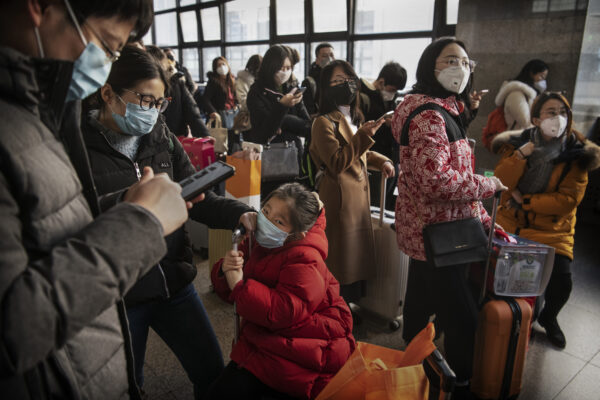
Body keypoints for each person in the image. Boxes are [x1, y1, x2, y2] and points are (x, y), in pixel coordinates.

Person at [0, 0, 193, 398]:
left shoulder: (37, 110)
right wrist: (141, 222)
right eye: (105, 45)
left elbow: (43, 227)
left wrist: (122, 204)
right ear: (40, 8)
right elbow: (13, 327)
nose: (103, 64)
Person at [81, 45, 257, 398]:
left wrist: (241, 213)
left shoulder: (159, 134)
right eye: (146, 100)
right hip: (123, 293)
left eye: (160, 103)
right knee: (130, 387)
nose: (153, 111)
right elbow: (81, 225)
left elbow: (197, 196)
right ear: (108, 93)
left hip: (174, 280)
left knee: (211, 373)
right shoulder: (79, 148)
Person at [390, 37, 507, 397]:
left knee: (421, 301)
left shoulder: (436, 108)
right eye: (450, 60)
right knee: (464, 319)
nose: (460, 68)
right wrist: (486, 185)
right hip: (441, 232)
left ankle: (413, 362)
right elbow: (435, 180)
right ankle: (461, 385)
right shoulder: (429, 115)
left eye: (466, 62)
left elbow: (442, 160)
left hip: (429, 228)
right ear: (431, 66)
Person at [206, 183, 356, 400]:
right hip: (273, 336)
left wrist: (239, 286)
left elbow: (283, 311)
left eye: (278, 221)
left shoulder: (306, 259)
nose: (266, 221)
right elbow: (231, 288)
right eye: (266, 211)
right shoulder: (263, 242)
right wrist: (224, 271)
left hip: (306, 351)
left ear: (298, 233)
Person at [491, 92, 600, 349]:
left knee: (562, 282)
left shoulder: (579, 153)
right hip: (512, 222)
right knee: (497, 276)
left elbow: (567, 200)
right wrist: (521, 156)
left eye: (563, 113)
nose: (558, 118)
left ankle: (549, 317)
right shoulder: (517, 144)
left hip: (552, 229)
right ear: (537, 119)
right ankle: (506, 318)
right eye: (551, 112)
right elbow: (501, 181)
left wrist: (526, 202)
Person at [309, 60, 395, 305]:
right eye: (337, 82)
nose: (344, 86)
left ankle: (347, 308)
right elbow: (336, 161)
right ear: (326, 88)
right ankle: (334, 308)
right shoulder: (322, 122)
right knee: (340, 257)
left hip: (358, 194)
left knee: (355, 256)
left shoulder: (354, 115)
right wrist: (364, 136)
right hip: (339, 197)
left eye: (348, 80)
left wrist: (383, 161)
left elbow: (361, 153)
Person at [246, 45, 311, 196]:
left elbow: (307, 125)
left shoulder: (292, 88)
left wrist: (285, 120)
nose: (285, 72)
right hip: (272, 161)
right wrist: (282, 107)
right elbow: (263, 133)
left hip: (295, 157)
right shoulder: (256, 92)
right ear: (271, 67)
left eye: (289, 67)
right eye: (282, 67)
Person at [359, 61, 407, 210]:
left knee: (384, 203)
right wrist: (382, 122)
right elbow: (361, 128)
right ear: (381, 81)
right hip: (373, 157)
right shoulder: (364, 97)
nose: (393, 94)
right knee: (373, 203)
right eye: (391, 89)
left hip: (391, 157)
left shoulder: (393, 99)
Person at [146, 45, 210, 138]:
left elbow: (192, 111)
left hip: (176, 136)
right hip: (152, 138)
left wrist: (205, 136)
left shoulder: (176, 83)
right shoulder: (142, 88)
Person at [494, 59, 549, 132]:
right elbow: (526, 122)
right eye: (541, 76)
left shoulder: (528, 94)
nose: (543, 81)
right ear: (531, 73)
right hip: (517, 139)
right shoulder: (516, 94)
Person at [302, 42, 335, 116]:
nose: (329, 59)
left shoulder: (340, 79)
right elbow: (309, 113)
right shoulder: (309, 82)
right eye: (324, 56)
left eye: (331, 55)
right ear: (317, 60)